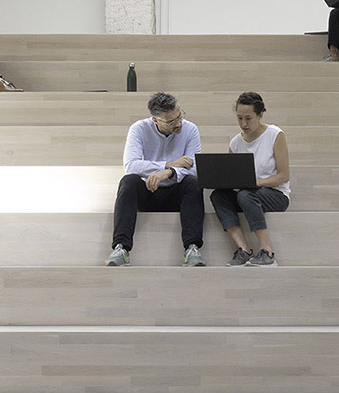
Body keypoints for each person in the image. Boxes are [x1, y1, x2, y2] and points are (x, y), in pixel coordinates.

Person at [107, 91, 206, 267]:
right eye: (171, 122)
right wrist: (168, 164)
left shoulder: (190, 129)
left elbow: (195, 169)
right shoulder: (139, 129)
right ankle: (121, 248)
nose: (179, 123)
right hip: (149, 192)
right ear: (155, 120)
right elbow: (131, 165)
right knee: (128, 181)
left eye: (179, 116)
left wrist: (168, 172)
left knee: (193, 183)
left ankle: (192, 248)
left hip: (177, 193)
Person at [211, 91, 290, 266]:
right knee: (218, 195)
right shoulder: (235, 143)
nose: (243, 124)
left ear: (260, 114)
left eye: (248, 118)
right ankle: (244, 249)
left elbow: (283, 176)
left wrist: (255, 183)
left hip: (275, 195)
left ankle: (267, 251)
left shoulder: (275, 134)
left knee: (246, 194)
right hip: (246, 194)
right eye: (239, 118)